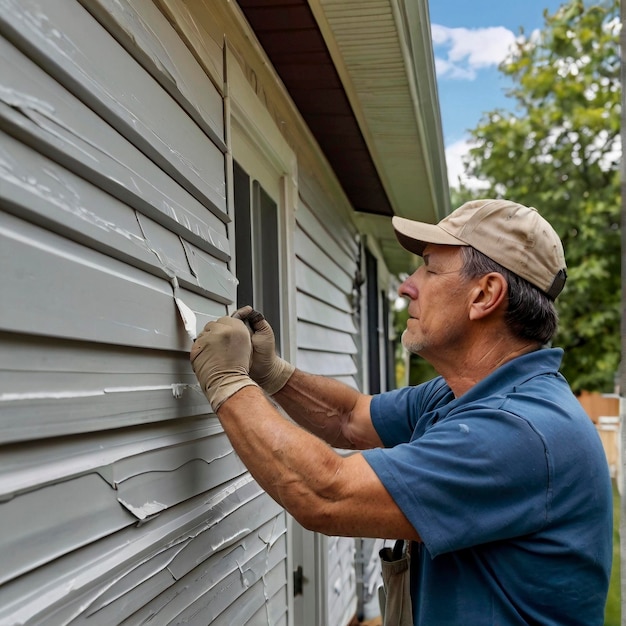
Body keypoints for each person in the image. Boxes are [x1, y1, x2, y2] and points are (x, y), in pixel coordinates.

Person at [190, 199, 613, 626]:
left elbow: (325, 494)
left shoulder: (519, 431)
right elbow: (349, 418)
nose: (407, 286)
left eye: (429, 268)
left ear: (484, 295)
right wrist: (274, 374)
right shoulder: (459, 396)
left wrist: (228, 382)